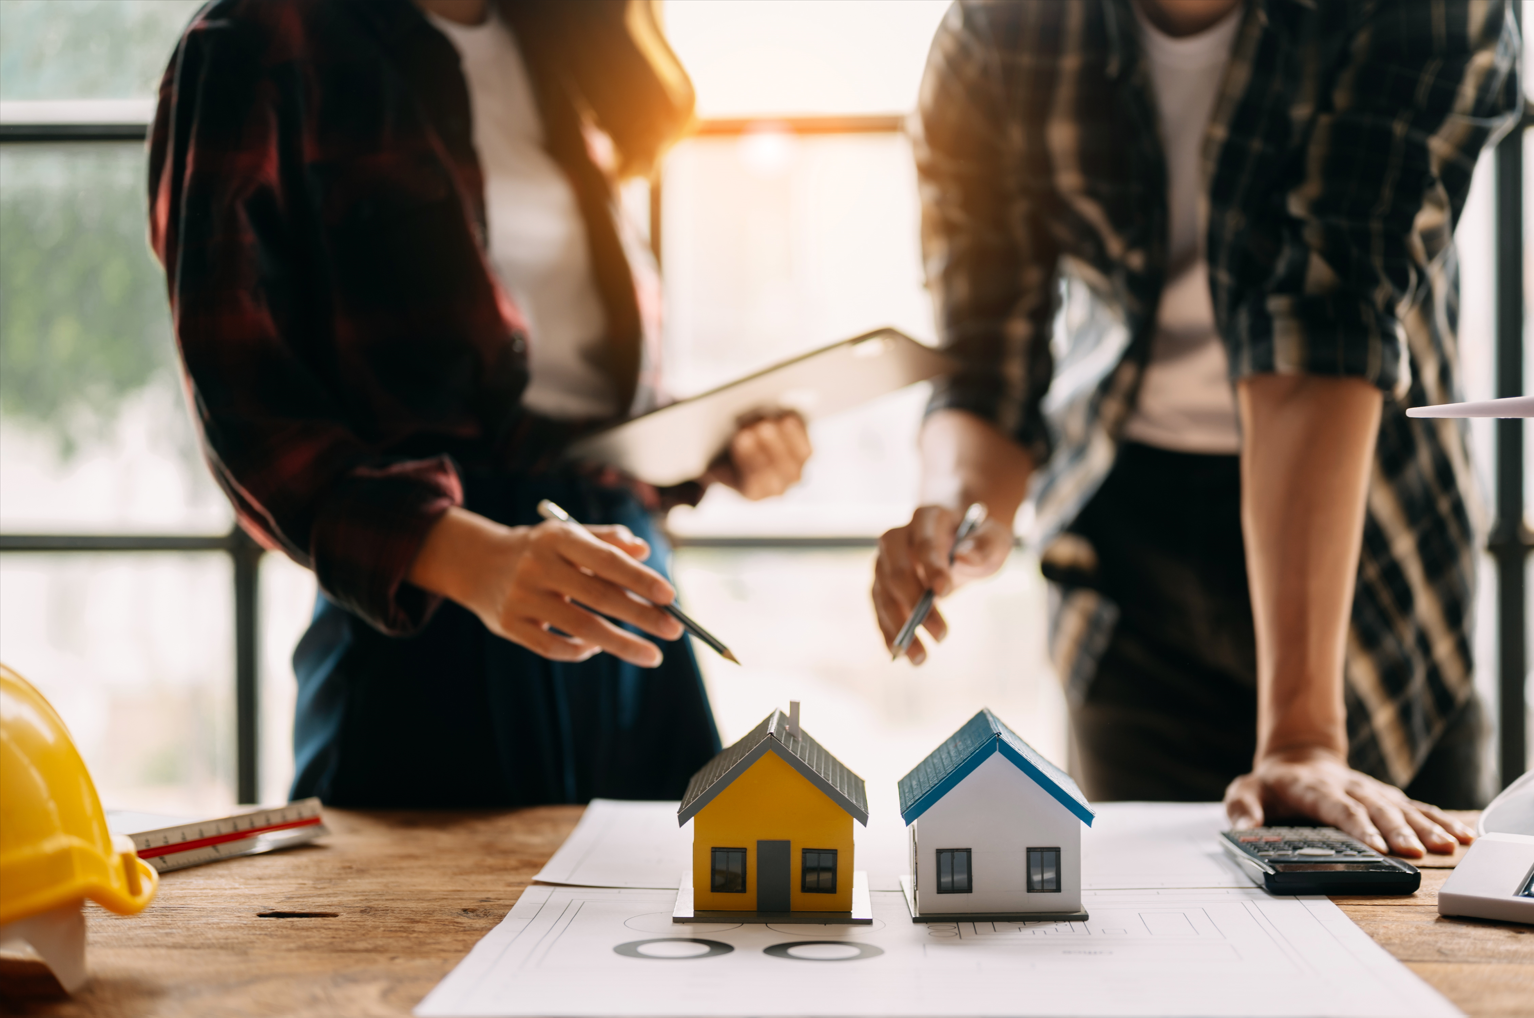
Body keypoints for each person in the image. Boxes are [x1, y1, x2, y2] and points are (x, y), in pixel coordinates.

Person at [873, 0, 1522, 856]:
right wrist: (956, 514)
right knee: (1158, 944)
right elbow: (988, 350)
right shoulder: (999, 29)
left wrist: (1301, 737)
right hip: (1129, 558)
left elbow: (1323, 317)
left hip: (1369, 537)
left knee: (1404, 936)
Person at [148, 0, 812, 807]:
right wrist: (476, 560)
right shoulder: (257, 42)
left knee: (670, 920)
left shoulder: (558, 40)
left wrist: (713, 450)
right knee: (420, 931)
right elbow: (246, 406)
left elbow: (564, 395)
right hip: (427, 647)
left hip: (628, 626)